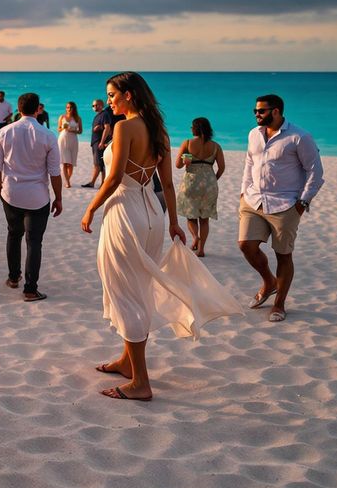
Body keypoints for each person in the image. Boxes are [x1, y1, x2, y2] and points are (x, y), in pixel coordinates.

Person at [80, 72, 241, 401]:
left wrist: (90, 209)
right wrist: (172, 223)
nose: (109, 100)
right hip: (152, 213)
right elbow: (166, 184)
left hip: (125, 211)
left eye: (112, 94)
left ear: (129, 95)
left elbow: (112, 179)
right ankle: (128, 361)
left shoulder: (125, 127)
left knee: (125, 292)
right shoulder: (159, 132)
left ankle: (140, 382)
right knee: (138, 288)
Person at [238, 94, 323, 323]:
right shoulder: (253, 134)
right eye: (255, 111)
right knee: (246, 245)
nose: (257, 115)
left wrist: (303, 202)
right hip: (253, 201)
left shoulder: (299, 137)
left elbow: (315, 171)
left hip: (285, 204)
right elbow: (249, 162)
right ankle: (269, 282)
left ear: (276, 112)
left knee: (283, 255)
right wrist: (244, 190)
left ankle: (279, 304)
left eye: (261, 111)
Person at [0, 93, 62, 302]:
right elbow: (54, 172)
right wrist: (59, 198)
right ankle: (30, 289)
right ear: (37, 109)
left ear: (19, 109)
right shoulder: (47, 135)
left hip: (11, 192)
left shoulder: (4, 131)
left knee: (14, 234)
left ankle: (13, 278)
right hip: (37, 196)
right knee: (34, 241)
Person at [175, 117, 224, 257]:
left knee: (191, 216)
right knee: (204, 218)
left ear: (195, 128)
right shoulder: (216, 146)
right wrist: (213, 179)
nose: (190, 129)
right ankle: (201, 249)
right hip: (209, 184)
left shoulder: (188, 143)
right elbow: (222, 167)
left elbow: (178, 165)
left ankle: (195, 237)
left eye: (192, 126)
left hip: (191, 182)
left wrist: (187, 160)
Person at [82, 99, 114, 188]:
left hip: (99, 142)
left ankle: (98, 183)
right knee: (99, 164)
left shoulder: (104, 114)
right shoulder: (98, 115)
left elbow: (107, 128)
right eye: (93, 106)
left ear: (101, 105)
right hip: (96, 142)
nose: (94, 107)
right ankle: (99, 183)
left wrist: (102, 142)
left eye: (96, 105)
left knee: (99, 164)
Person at [57, 101, 82, 188]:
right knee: (65, 162)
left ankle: (67, 179)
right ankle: (67, 182)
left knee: (71, 163)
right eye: (67, 107)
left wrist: (72, 130)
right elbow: (59, 129)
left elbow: (80, 131)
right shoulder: (62, 117)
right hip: (63, 140)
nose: (69, 109)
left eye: (71, 107)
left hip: (73, 141)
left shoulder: (78, 118)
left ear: (74, 108)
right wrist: (63, 128)